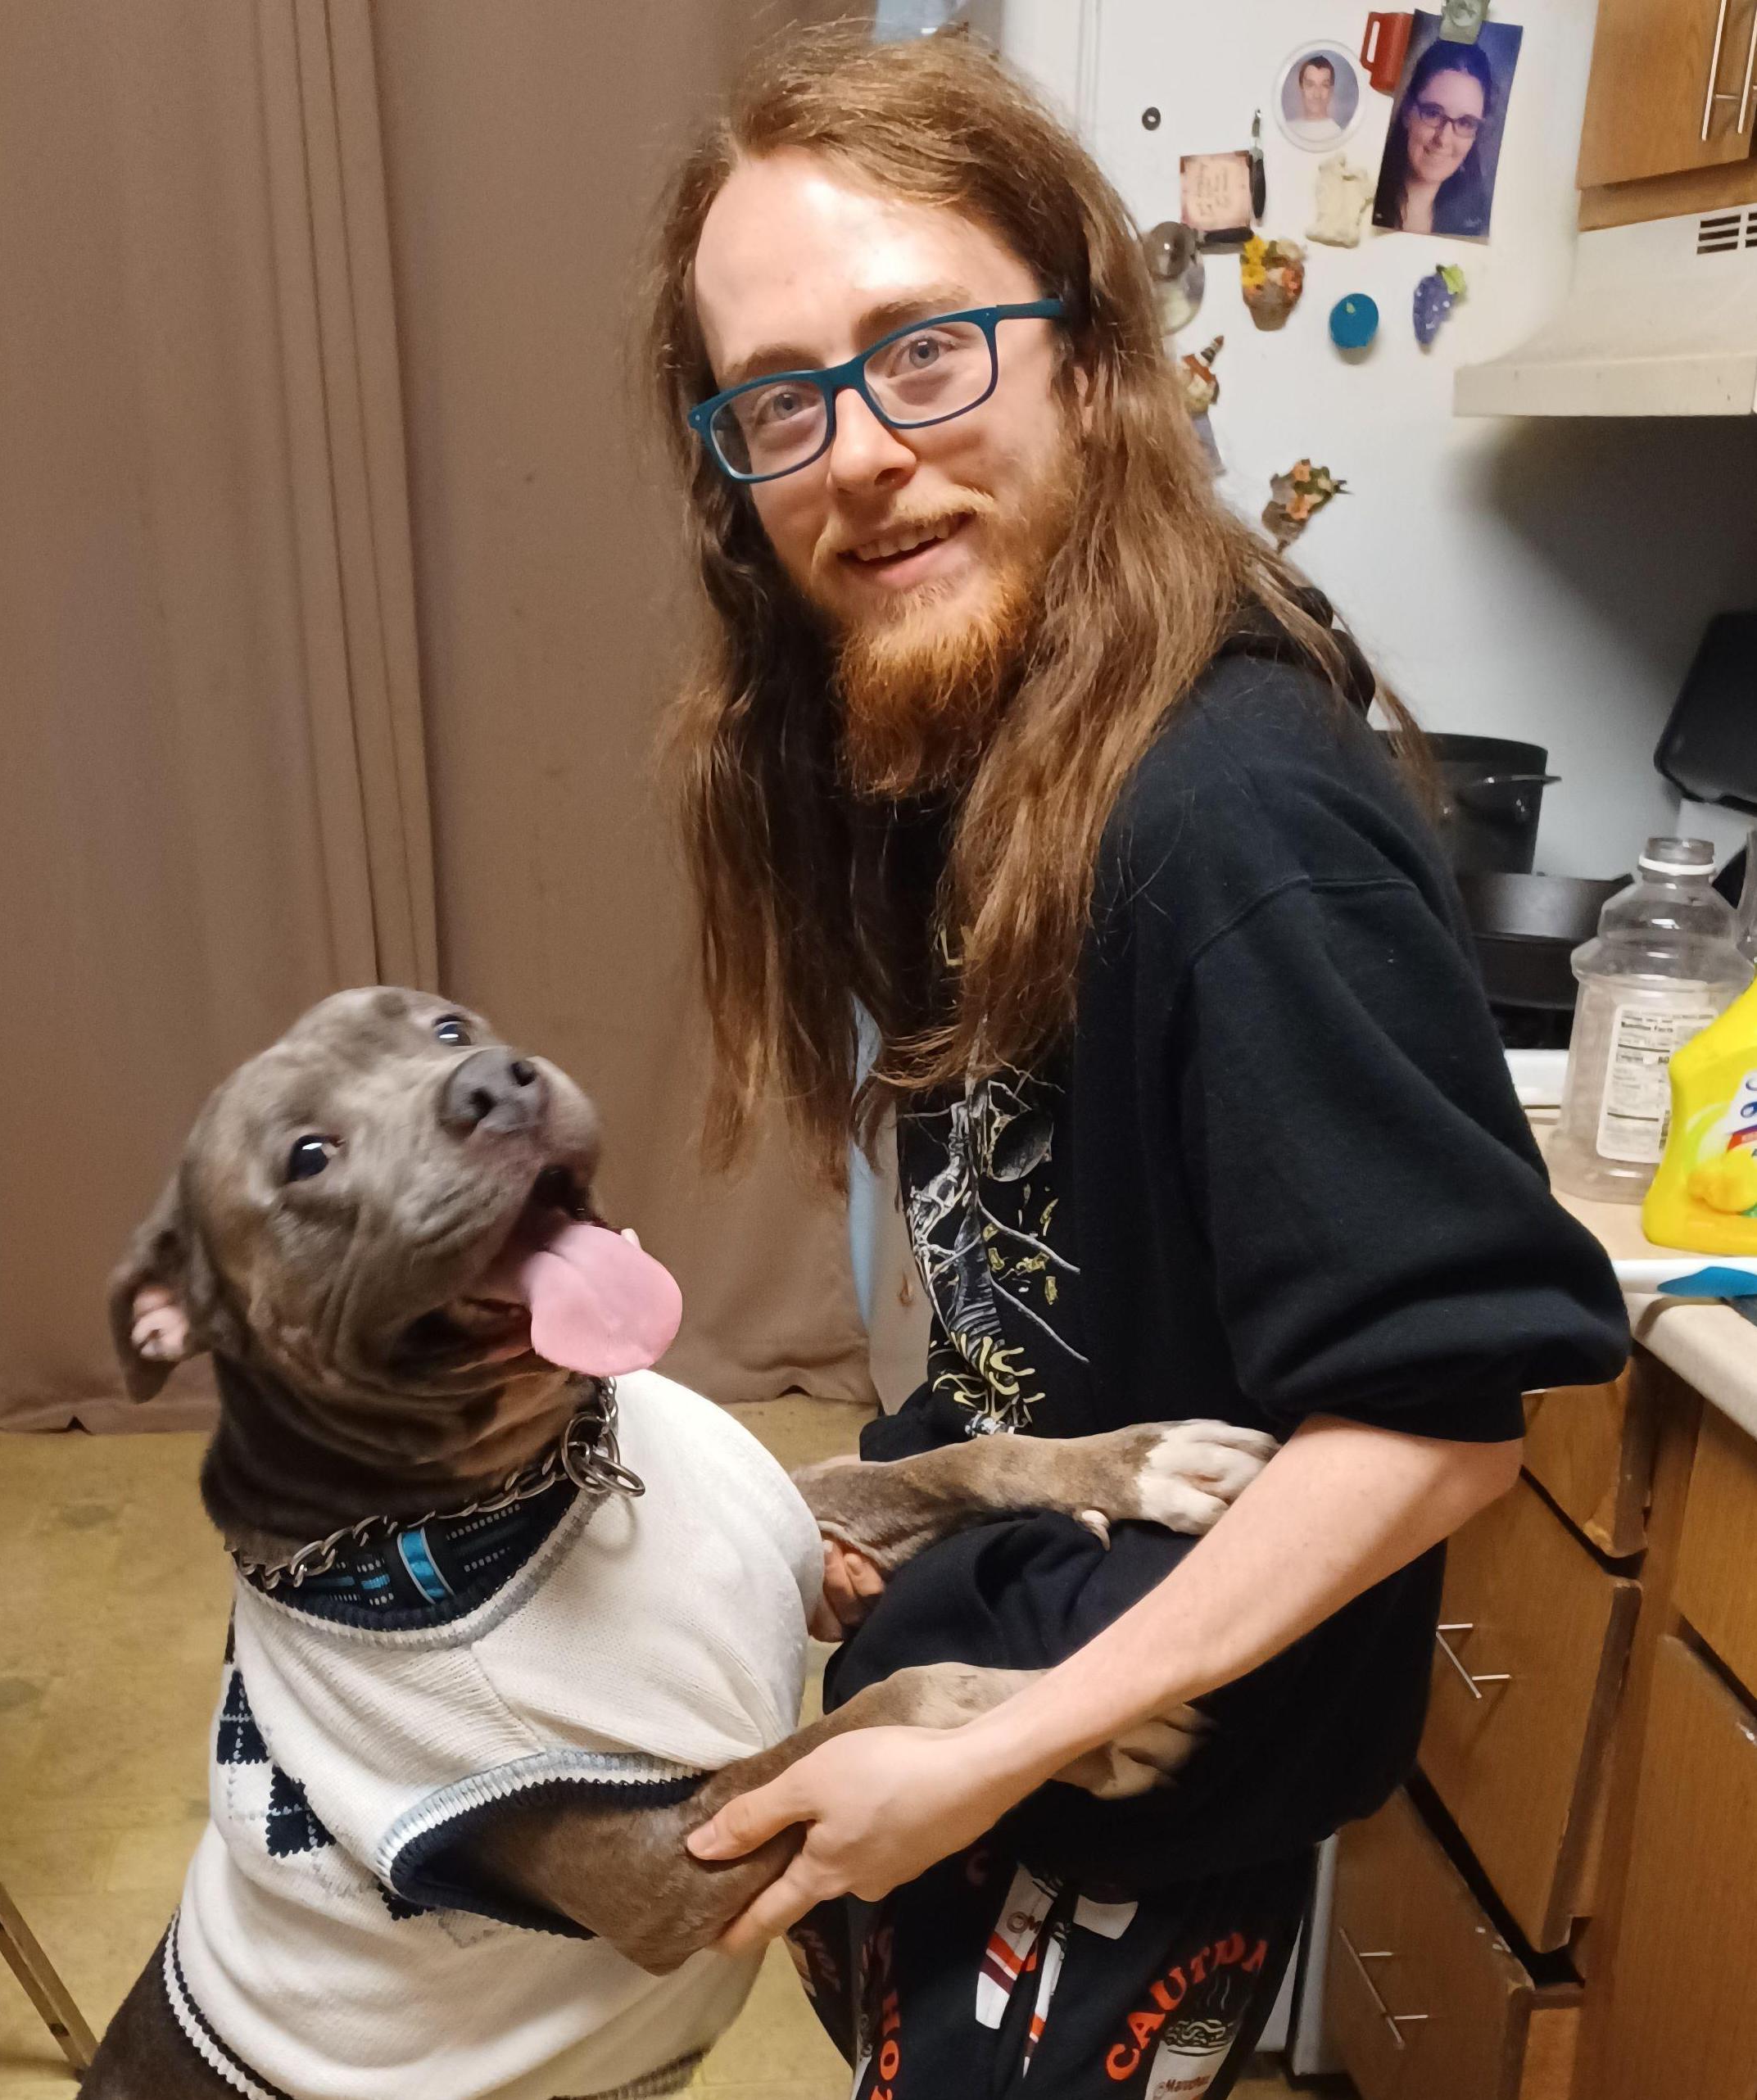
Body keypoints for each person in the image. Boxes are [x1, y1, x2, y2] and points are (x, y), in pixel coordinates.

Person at [644, 26, 1624, 2097]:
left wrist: (990, 1751)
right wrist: (910, 1489)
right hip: (986, 1698)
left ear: (1089, 359)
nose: (860, 452)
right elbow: (1055, 1272)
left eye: (928, 353)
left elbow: (1438, 1421)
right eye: (779, 401)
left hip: (1125, 1806)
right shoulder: (972, 730)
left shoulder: (1230, 821)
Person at [1373, 39, 1497, 237]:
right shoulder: (1364, 196)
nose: (1443, 139)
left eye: (1465, 123)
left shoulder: (1475, 228)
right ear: (1407, 111)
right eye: (1433, 113)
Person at [1284, 53, 1341, 146]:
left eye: (1324, 86)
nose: (1317, 94)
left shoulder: (1338, 134)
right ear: (1301, 87)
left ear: (1331, 91)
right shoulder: (1289, 129)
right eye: (1310, 85)